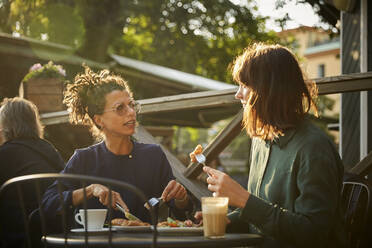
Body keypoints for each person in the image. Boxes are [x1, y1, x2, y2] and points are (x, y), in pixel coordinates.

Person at [192, 43, 346, 248]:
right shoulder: (261, 141)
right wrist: (228, 220)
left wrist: (244, 199)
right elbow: (263, 215)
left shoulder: (314, 148)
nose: (238, 94)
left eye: (245, 85)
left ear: (269, 91)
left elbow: (313, 233)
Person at [42, 66, 191, 228]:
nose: (131, 112)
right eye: (120, 108)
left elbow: (181, 211)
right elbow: (48, 203)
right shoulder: (84, 159)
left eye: (131, 105)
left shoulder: (153, 155)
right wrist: (90, 190)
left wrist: (181, 197)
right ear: (99, 120)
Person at [0, 97, 64, 248]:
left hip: (17, 235)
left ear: (7, 126)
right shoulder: (49, 149)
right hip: (56, 233)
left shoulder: (5, 154)